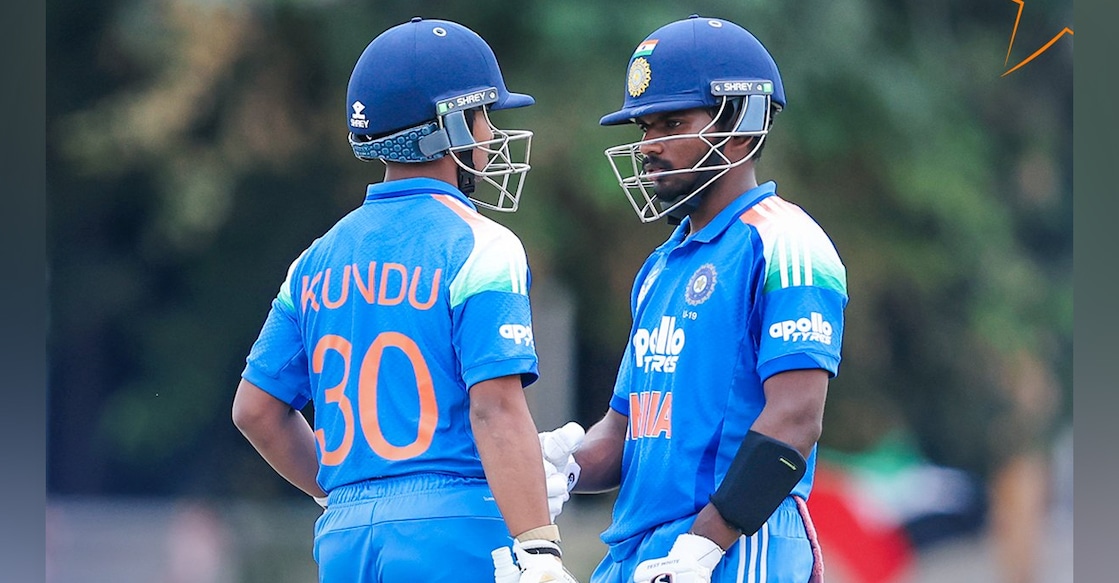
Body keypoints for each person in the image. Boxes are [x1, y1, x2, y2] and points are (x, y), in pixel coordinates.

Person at [231, 17, 578, 583]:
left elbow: (255, 410)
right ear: (449, 126)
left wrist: (350, 490)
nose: (490, 133)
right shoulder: (482, 244)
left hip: (345, 537)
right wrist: (537, 548)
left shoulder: (315, 259)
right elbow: (494, 409)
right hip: (453, 528)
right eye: (483, 115)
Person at [539, 15, 848, 583]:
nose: (650, 148)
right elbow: (626, 429)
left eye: (672, 124)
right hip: (640, 549)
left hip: (737, 547)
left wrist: (703, 547)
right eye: (644, 130)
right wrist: (566, 466)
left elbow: (797, 418)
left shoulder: (785, 240)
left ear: (742, 127)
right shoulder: (659, 269)